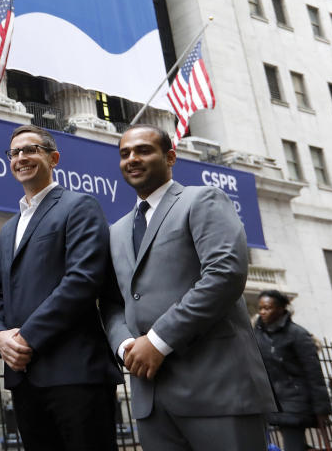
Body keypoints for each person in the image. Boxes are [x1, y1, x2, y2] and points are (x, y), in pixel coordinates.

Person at [101, 125, 275, 450]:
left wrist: (157, 340)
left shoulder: (203, 199)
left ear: (170, 157)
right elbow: (112, 302)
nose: (132, 159)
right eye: (125, 154)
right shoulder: (116, 231)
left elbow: (224, 274)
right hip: (151, 398)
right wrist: (125, 345)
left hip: (217, 390)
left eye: (143, 150)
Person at [0, 124, 121, 451]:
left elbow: (83, 281)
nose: (21, 158)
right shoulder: (8, 229)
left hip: (76, 374)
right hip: (24, 379)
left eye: (30, 149)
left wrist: (25, 337)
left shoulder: (79, 206)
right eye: (15, 153)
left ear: (54, 158)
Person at [254, 289, 331, 451]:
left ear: (281, 309)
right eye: (260, 308)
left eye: (267, 308)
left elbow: (314, 374)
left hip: (296, 402)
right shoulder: (257, 335)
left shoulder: (297, 334)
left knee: (292, 444)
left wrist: (321, 409)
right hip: (273, 402)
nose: (262, 312)